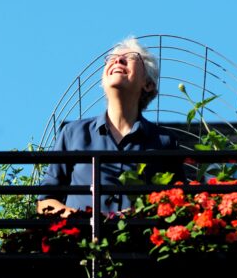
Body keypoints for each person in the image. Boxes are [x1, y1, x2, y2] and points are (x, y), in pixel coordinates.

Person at [37, 37, 185, 217]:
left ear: (148, 84)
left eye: (131, 57)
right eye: (112, 58)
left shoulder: (164, 142)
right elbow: (45, 202)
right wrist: (85, 221)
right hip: (82, 235)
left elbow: (178, 205)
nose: (118, 60)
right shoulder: (72, 133)